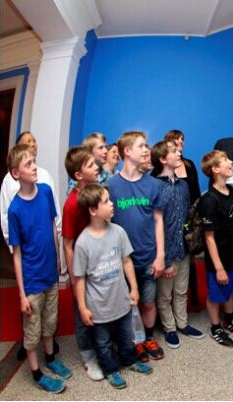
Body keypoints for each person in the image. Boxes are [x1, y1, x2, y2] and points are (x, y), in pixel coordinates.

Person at [74, 184, 153, 389]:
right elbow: (80, 278)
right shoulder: (83, 243)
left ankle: (129, 359)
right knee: (103, 342)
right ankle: (110, 369)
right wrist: (82, 308)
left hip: (121, 299)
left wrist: (134, 288)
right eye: (106, 201)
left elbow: (126, 261)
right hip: (98, 306)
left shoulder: (118, 232)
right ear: (93, 210)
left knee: (126, 336)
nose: (112, 204)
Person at [7, 144, 71, 394]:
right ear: (16, 173)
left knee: (50, 322)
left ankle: (51, 358)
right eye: (28, 164)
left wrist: (59, 264)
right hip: (32, 281)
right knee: (32, 330)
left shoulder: (45, 191)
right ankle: (36, 372)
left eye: (34, 161)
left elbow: (54, 227)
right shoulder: (14, 209)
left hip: (50, 275)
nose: (35, 167)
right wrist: (22, 294)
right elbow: (16, 253)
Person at [107, 131, 165, 362]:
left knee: (148, 302)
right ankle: (132, 342)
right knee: (126, 306)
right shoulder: (111, 186)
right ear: (127, 151)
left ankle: (148, 338)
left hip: (149, 256)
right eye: (141, 146)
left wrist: (160, 255)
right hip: (121, 261)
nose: (146, 150)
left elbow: (158, 220)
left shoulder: (153, 184)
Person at [151, 140, 204, 349]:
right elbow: (155, 224)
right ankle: (169, 328)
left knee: (181, 291)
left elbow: (187, 217)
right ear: (163, 159)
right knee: (164, 295)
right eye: (174, 151)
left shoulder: (183, 185)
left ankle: (182, 323)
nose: (179, 152)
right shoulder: (155, 186)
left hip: (183, 248)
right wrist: (164, 258)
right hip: (166, 251)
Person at [200, 150, 233, 348]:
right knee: (216, 295)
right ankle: (215, 327)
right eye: (225, 160)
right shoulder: (209, 200)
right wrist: (218, 267)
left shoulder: (232, 191)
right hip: (217, 259)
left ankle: (229, 320)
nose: (230, 162)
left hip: (232, 253)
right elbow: (209, 238)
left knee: (229, 290)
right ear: (215, 169)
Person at [62, 146, 103, 380]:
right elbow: (68, 244)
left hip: (100, 264)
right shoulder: (71, 204)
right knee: (83, 312)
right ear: (78, 174)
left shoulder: (95, 194)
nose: (97, 167)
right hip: (82, 268)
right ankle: (88, 358)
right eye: (90, 165)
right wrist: (75, 277)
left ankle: (103, 347)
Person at [1, 131, 62, 247]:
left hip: (47, 245)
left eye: (34, 141)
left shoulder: (45, 175)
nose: (33, 144)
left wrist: (57, 239)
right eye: (28, 141)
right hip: (24, 245)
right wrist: (13, 246)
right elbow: (5, 216)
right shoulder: (8, 180)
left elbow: (55, 210)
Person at [163, 129, 202, 308]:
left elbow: (196, 191)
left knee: (190, 255)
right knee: (174, 257)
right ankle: (169, 298)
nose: (181, 142)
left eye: (182, 139)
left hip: (190, 216)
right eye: (177, 139)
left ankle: (193, 296)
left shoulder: (189, 164)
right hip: (172, 217)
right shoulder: (162, 168)